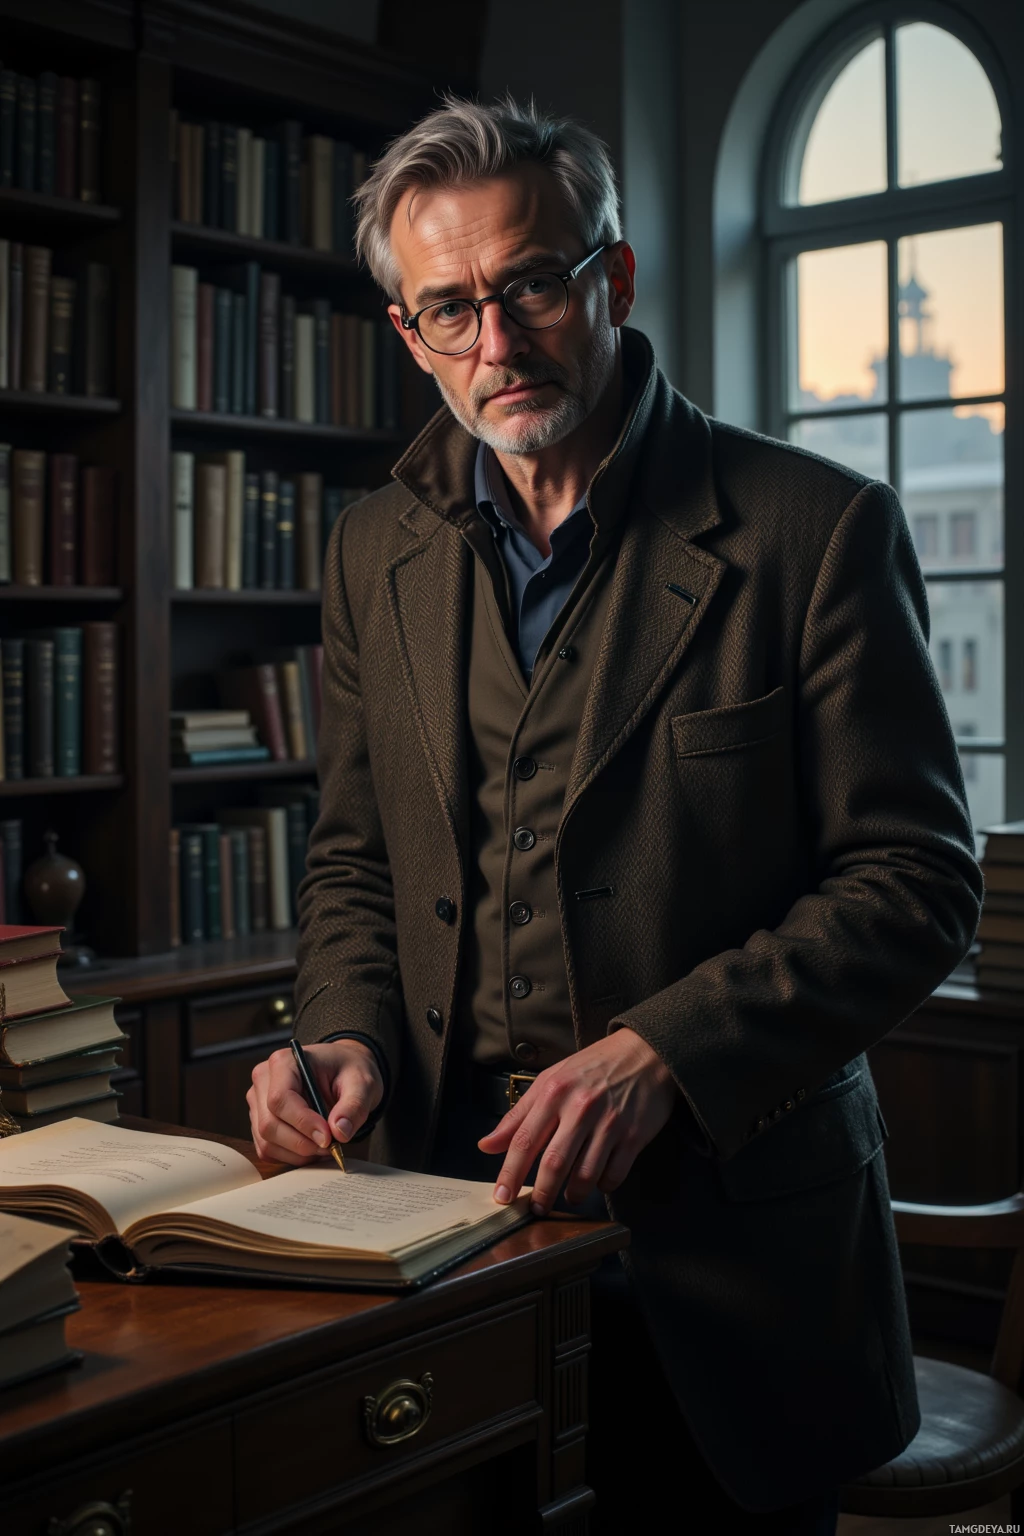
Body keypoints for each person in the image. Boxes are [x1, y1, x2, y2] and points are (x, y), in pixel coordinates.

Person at [246, 96, 982, 1533]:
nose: (496, 345)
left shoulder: (813, 530)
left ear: (614, 280)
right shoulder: (370, 550)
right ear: (407, 332)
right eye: (448, 309)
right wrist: (337, 1030)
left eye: (528, 285)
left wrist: (667, 1051)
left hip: (737, 1269)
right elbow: (352, 858)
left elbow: (915, 880)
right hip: (436, 1247)